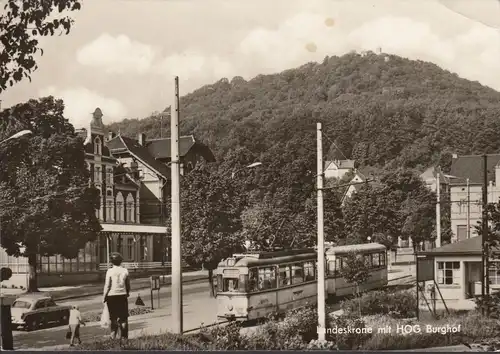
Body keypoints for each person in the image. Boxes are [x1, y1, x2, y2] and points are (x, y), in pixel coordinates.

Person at [103, 252, 130, 340]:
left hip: (111, 296)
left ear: (111, 262)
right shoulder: (125, 271)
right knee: (123, 318)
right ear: (120, 261)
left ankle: (113, 337)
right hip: (122, 295)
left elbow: (107, 286)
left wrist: (104, 297)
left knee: (113, 317)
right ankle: (124, 337)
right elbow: (128, 284)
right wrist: (127, 293)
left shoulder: (109, 271)